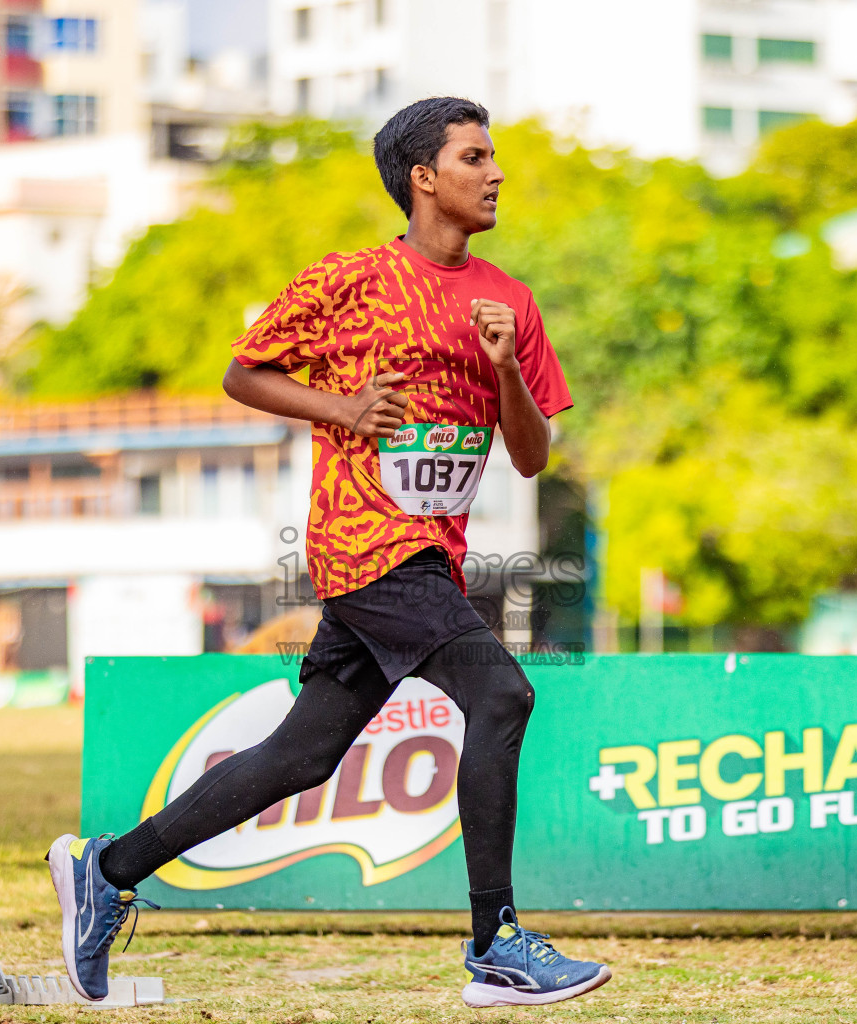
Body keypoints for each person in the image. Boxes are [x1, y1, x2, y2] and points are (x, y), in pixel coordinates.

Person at [48, 97, 611, 1008]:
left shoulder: (509, 299)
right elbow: (244, 372)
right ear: (424, 178)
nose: (497, 172)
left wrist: (506, 370)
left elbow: (533, 456)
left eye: (494, 155)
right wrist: (342, 408)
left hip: (433, 554)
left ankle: (107, 868)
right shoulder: (353, 282)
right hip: (366, 543)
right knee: (502, 689)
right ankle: (495, 943)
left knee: (302, 756)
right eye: (476, 157)